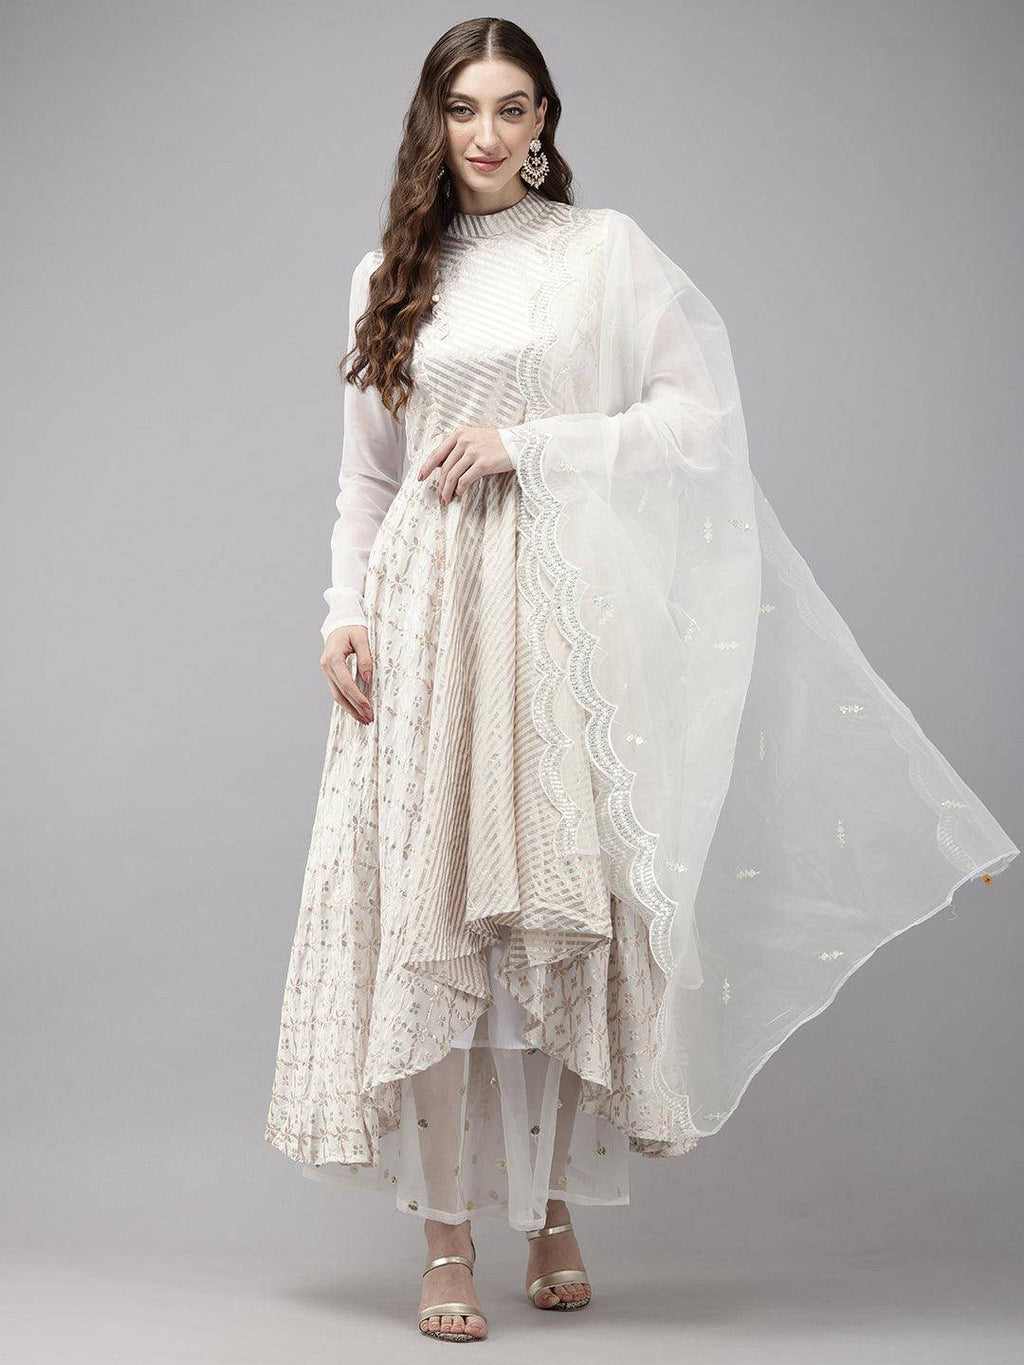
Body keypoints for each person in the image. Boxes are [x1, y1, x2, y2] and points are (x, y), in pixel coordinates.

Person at [264, 17, 1019, 1345]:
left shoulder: (601, 252)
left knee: (559, 913)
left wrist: (531, 444)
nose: (486, 134)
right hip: (429, 621)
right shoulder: (389, 273)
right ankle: (446, 1237)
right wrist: (342, 614)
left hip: (558, 614)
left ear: (544, 120)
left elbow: (694, 421)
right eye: (462, 108)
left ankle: (550, 1206)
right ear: (433, 122)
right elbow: (367, 476)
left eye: (511, 107)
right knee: (434, 915)